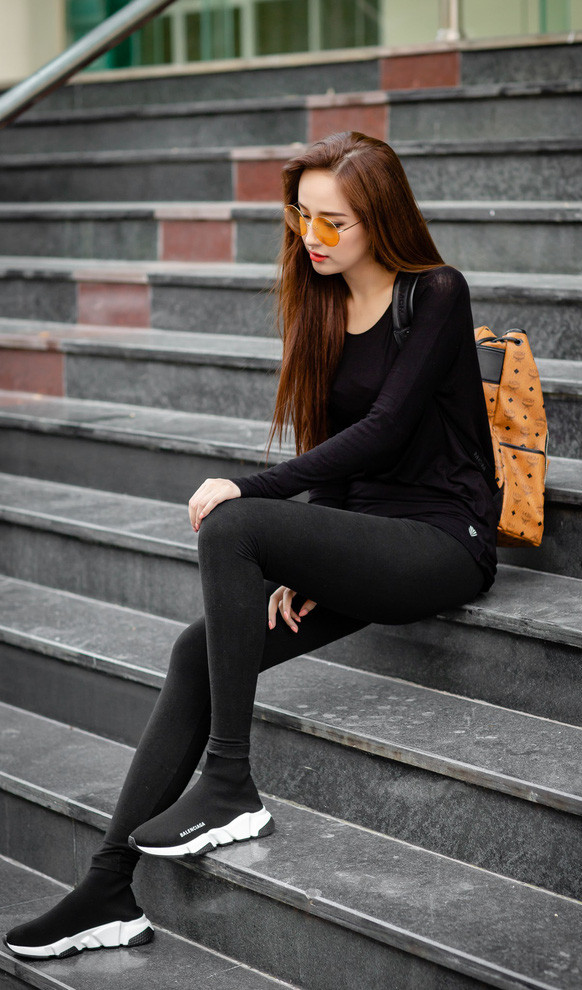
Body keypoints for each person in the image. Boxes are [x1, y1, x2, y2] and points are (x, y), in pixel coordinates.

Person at [4, 130, 499, 960]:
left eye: (335, 221)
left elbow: (385, 430)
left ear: (381, 219)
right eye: (303, 216)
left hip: (445, 539)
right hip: (368, 536)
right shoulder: (321, 303)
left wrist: (252, 488)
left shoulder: (436, 293)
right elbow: (338, 446)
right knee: (196, 649)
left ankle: (230, 782)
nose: (313, 236)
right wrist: (308, 558)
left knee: (232, 523)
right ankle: (107, 889)